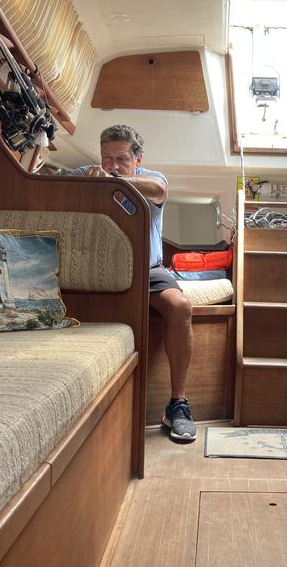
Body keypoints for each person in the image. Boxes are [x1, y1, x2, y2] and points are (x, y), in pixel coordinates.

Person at [69, 125, 196, 441]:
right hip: (99, 270)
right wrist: (87, 181)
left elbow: (157, 190)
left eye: (122, 159)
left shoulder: (151, 179)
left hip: (147, 271)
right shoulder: (86, 174)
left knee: (181, 307)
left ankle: (178, 404)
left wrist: (110, 181)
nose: (112, 165)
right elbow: (51, 186)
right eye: (106, 158)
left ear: (138, 160)